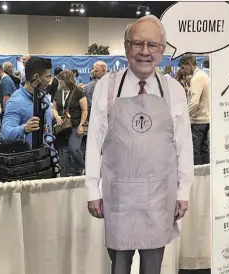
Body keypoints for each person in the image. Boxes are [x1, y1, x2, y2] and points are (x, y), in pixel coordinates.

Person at [85, 15, 194, 274]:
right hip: (119, 197)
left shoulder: (173, 90)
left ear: (162, 50)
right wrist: (92, 189)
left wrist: (184, 190)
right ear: (126, 47)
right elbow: (94, 141)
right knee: (119, 266)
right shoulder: (107, 87)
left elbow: (184, 145)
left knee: (152, 266)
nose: (145, 52)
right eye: (137, 44)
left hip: (160, 196)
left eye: (152, 45)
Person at [1, 57, 53, 144]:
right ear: (36, 77)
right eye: (47, 77)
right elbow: (6, 133)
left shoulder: (43, 97)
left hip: (48, 154)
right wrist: (24, 129)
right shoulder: (16, 102)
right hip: (30, 155)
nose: (49, 81)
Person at [52, 70, 88, 177]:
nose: (59, 82)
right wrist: (57, 116)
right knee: (64, 151)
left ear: (67, 80)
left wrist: (82, 124)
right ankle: (68, 173)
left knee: (74, 149)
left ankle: (81, 167)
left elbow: (84, 110)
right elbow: (54, 108)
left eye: (61, 80)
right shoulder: (58, 92)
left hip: (75, 125)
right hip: (62, 126)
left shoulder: (78, 92)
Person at [179, 54, 210, 165]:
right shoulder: (203, 75)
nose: (183, 71)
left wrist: (184, 117)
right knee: (204, 150)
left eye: (183, 67)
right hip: (205, 119)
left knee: (195, 151)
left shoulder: (197, 78)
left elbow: (194, 102)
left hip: (198, 120)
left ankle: (197, 179)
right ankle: (205, 178)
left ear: (190, 64)